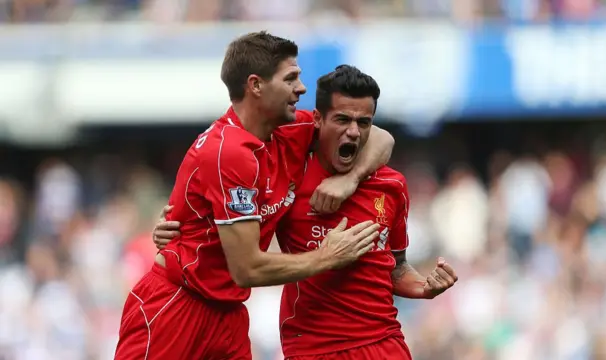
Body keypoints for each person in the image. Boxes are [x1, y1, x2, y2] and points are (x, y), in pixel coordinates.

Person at [114, 33, 395, 360]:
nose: (301, 89)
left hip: (228, 313)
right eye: (291, 79)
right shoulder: (229, 152)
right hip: (177, 306)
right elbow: (246, 268)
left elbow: (380, 137)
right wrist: (328, 257)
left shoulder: (292, 132)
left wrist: (350, 180)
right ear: (255, 85)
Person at [153, 65, 458, 360]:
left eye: (363, 123)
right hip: (311, 348)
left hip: (382, 343)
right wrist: (176, 229)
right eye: (341, 119)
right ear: (317, 120)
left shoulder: (393, 185)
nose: (353, 132)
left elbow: (396, 267)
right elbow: (227, 228)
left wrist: (423, 287)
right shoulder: (288, 181)